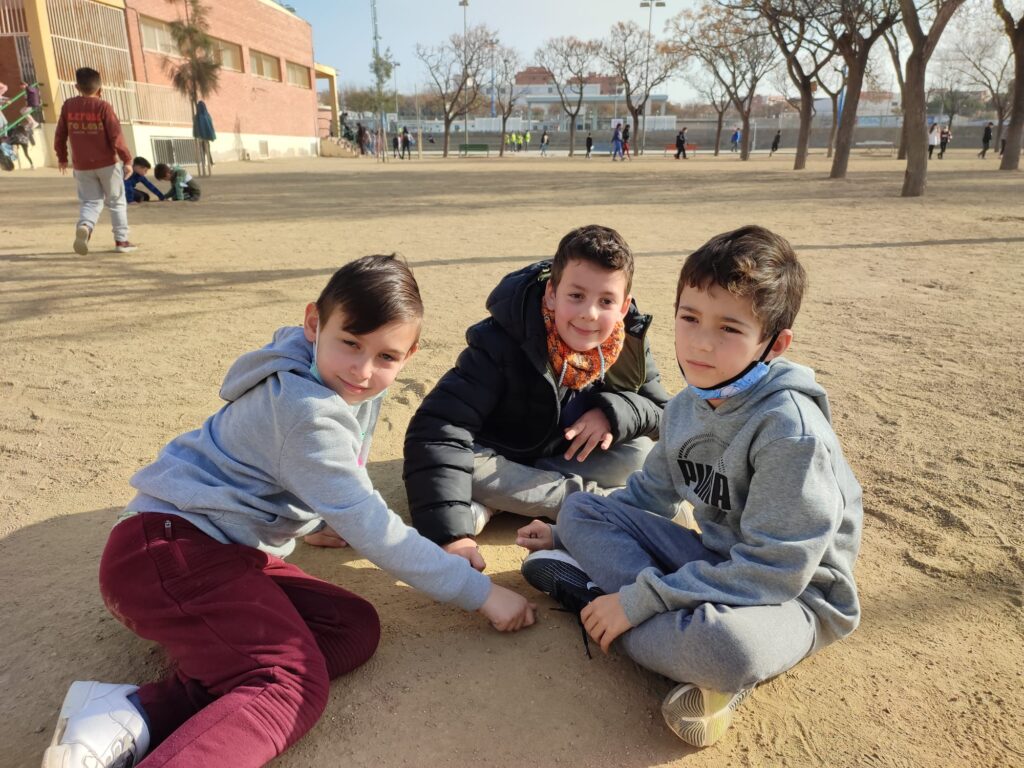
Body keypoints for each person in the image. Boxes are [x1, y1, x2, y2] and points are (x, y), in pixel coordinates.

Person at [41, 254, 536, 768]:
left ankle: (130, 713)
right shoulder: (306, 412)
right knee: (289, 685)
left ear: (408, 355)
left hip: (216, 548)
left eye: (386, 356)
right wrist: (479, 593)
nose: (363, 370)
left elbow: (299, 465)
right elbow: (374, 528)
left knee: (349, 628)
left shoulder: (320, 370)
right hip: (167, 553)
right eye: (351, 343)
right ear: (314, 323)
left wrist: (318, 516)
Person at [516, 225, 862, 749]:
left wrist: (641, 599)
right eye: (690, 318)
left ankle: (595, 597)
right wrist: (566, 532)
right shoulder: (685, 407)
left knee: (728, 650)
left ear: (774, 343)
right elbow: (646, 497)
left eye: (730, 328)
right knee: (581, 509)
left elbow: (775, 572)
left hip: (793, 598)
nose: (701, 342)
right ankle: (652, 628)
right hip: (712, 563)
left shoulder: (790, 432)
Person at [399, 225, 669, 572]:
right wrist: (451, 537)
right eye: (576, 296)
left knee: (639, 454)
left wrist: (612, 412)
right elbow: (436, 428)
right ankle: (595, 505)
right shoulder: (501, 339)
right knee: (465, 465)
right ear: (552, 294)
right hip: (495, 456)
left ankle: (500, 502)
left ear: (624, 306)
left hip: (561, 456)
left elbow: (662, 413)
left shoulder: (628, 342)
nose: (589, 313)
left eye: (606, 301)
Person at [54, 66, 136, 255]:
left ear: (76, 87)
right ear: (100, 88)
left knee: (90, 202)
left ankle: (85, 226)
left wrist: (62, 157)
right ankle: (121, 241)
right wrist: (127, 160)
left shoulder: (68, 106)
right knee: (116, 202)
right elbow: (116, 135)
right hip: (107, 163)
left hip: (81, 165)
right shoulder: (103, 106)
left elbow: (60, 134)